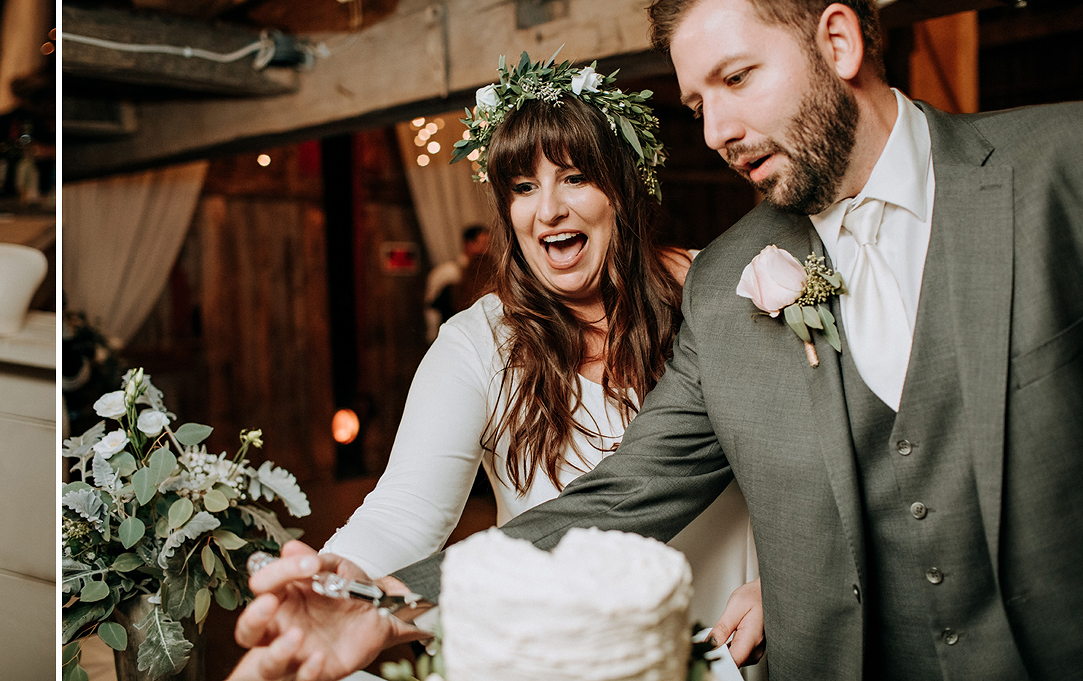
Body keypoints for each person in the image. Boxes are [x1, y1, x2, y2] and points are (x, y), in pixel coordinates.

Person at [234, 0, 1083, 679]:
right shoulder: (736, 278)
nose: (714, 132)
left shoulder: (1061, 166)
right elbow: (620, 497)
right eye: (696, 103)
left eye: (737, 78)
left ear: (839, 38)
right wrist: (372, 599)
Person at [227, 51, 762, 679]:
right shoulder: (477, 343)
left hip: (730, 651)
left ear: (624, 185)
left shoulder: (727, 294)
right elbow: (405, 509)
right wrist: (344, 588)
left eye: (574, 177)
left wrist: (789, 581)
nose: (548, 211)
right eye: (524, 187)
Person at [422, 224, 489, 342]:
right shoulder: (448, 272)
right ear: (468, 244)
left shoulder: (488, 270)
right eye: (482, 244)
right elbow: (432, 306)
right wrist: (434, 336)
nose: (486, 250)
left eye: (488, 245)